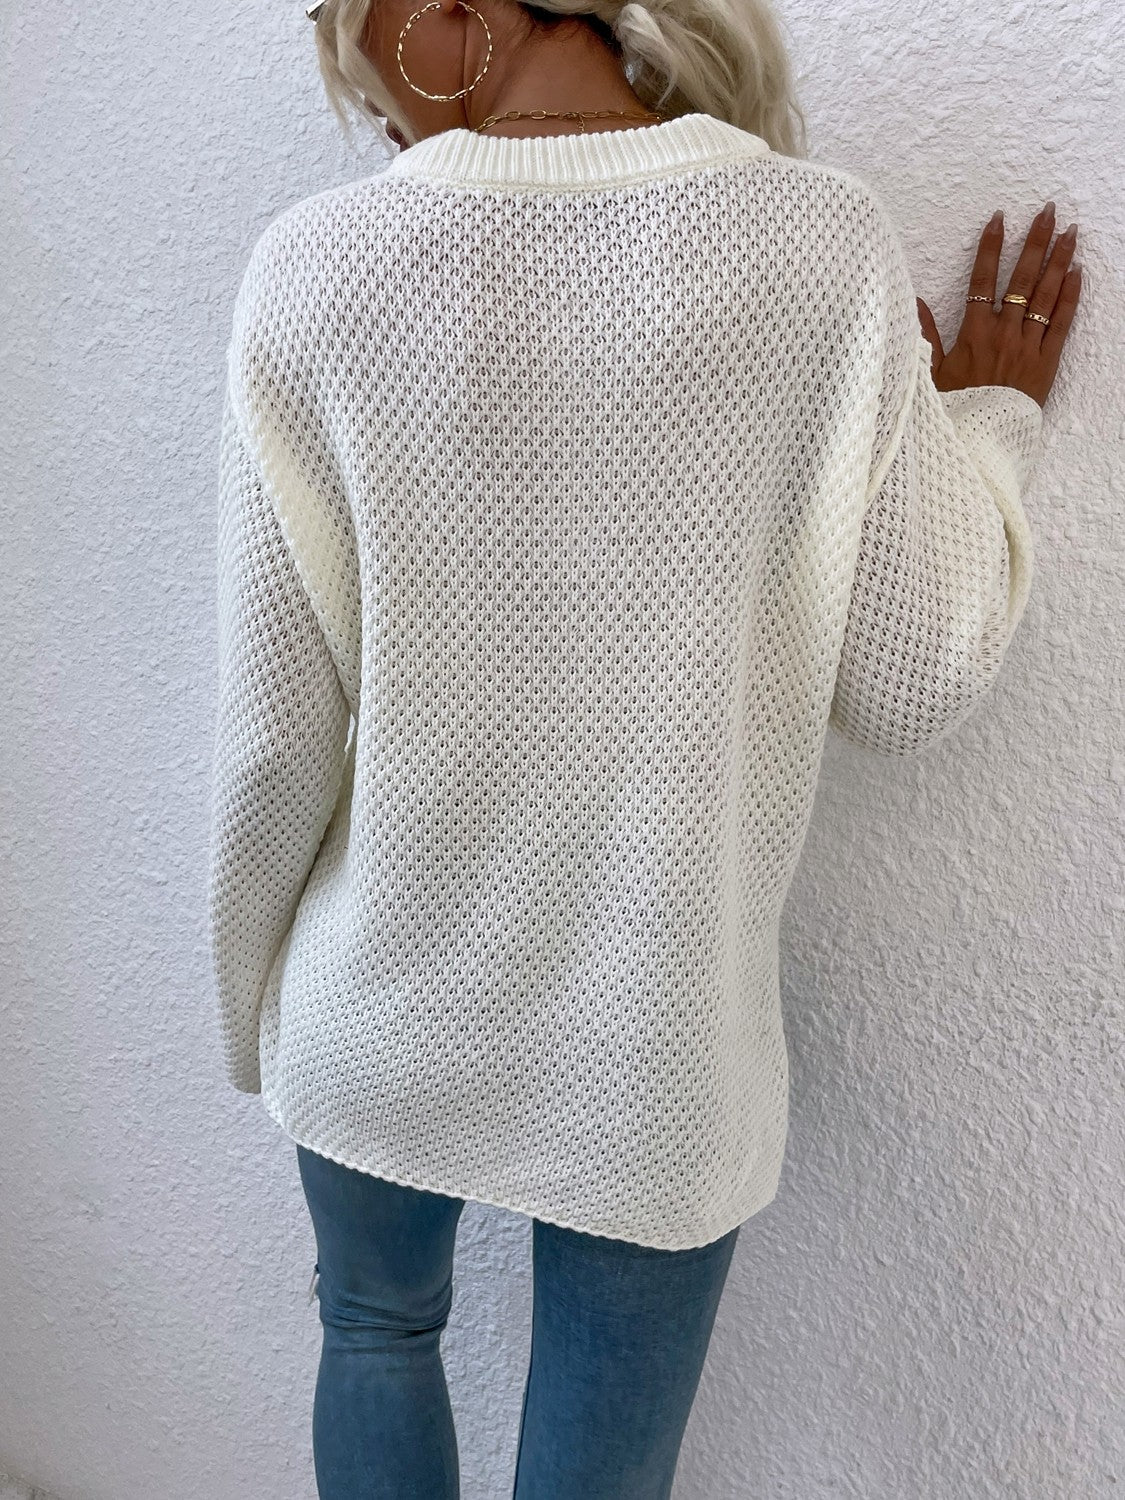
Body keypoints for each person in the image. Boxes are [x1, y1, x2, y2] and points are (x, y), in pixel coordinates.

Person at [205, 0, 1081, 1492]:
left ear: (441, 17)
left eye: (355, 55)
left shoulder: (316, 267)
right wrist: (986, 424)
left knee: (373, 1334)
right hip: (656, 1049)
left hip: (373, 1016)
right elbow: (915, 679)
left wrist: (251, 1014)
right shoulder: (820, 243)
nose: (377, 124)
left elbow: (271, 743)